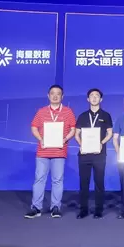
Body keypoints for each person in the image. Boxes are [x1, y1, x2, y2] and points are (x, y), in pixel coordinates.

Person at [25, 84, 76, 219]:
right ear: (48, 96)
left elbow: (73, 129)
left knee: (57, 180)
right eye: (52, 93)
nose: (55, 96)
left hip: (59, 151)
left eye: (58, 94)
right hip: (43, 151)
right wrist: (40, 139)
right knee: (39, 179)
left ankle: (55, 207)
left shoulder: (68, 112)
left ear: (62, 96)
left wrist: (65, 138)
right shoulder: (41, 111)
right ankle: (36, 207)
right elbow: (34, 127)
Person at [74, 88, 113, 219]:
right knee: (83, 183)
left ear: (101, 99)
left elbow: (110, 133)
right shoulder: (82, 116)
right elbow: (76, 133)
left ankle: (98, 210)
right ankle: (83, 210)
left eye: (97, 96)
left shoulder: (106, 115)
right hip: (84, 154)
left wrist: (101, 142)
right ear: (88, 99)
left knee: (99, 182)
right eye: (92, 95)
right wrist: (81, 144)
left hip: (99, 154)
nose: (94, 97)